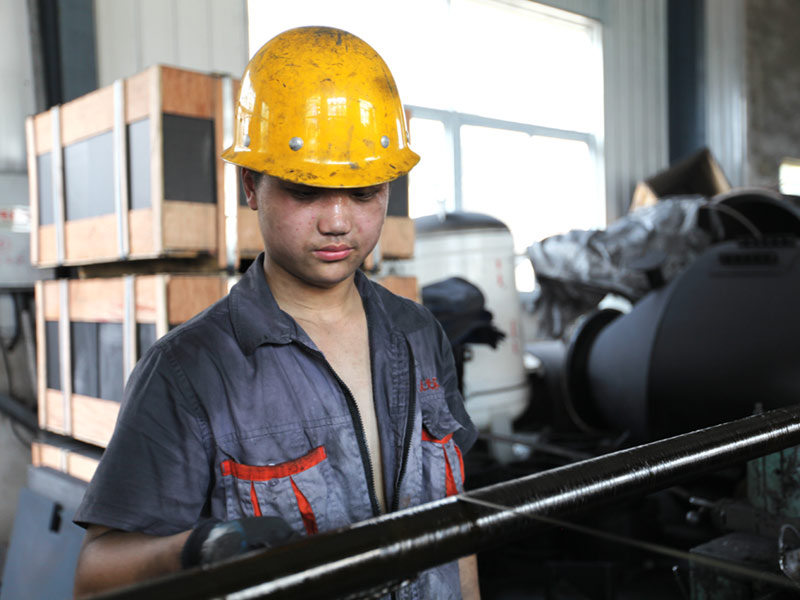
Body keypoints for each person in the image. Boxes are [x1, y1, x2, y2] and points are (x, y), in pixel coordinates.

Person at [72, 26, 479, 599]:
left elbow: (455, 524)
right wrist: (197, 549)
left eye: (364, 193)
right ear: (251, 185)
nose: (337, 221)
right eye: (306, 192)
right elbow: (94, 579)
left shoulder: (418, 334)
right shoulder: (192, 371)